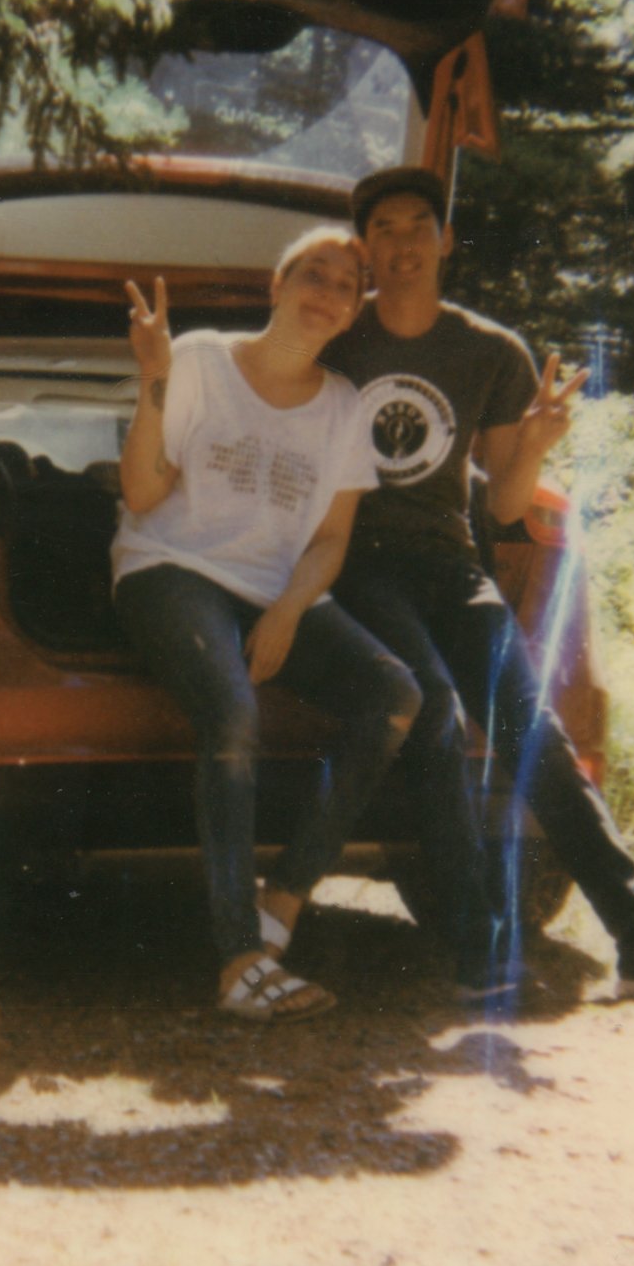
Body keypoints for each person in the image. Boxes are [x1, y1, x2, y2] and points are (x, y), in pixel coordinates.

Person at [325, 164, 634, 1001]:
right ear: (365, 249)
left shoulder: (490, 351)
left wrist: (536, 446)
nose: (402, 243)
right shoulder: (337, 338)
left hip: (449, 563)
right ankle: (477, 952)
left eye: (417, 227)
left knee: (535, 733)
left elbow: (507, 505)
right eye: (385, 230)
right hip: (358, 565)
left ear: (443, 241)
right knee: (436, 709)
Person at [113, 226, 434, 1022]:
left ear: (353, 311)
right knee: (232, 710)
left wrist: (290, 609)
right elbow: (145, 495)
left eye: (345, 285)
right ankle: (238, 963)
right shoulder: (198, 359)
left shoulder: (343, 408)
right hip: (168, 568)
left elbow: (330, 539)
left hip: (276, 591)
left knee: (394, 693)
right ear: (278, 284)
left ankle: (283, 900)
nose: (327, 292)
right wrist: (155, 378)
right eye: (314, 274)